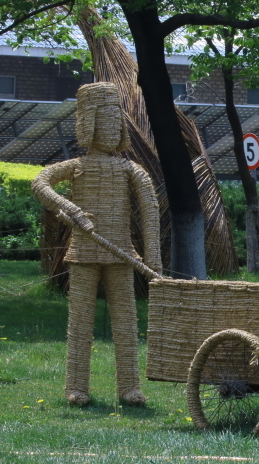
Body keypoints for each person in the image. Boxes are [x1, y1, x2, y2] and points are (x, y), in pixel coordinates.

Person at [32, 82, 161, 407]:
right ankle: (76, 387)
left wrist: (154, 258)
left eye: (115, 121)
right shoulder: (77, 167)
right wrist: (70, 209)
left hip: (121, 255)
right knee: (79, 324)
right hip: (84, 254)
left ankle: (130, 387)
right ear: (87, 124)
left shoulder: (132, 170)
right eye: (103, 121)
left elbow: (150, 211)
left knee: (126, 324)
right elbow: (40, 182)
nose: (110, 127)